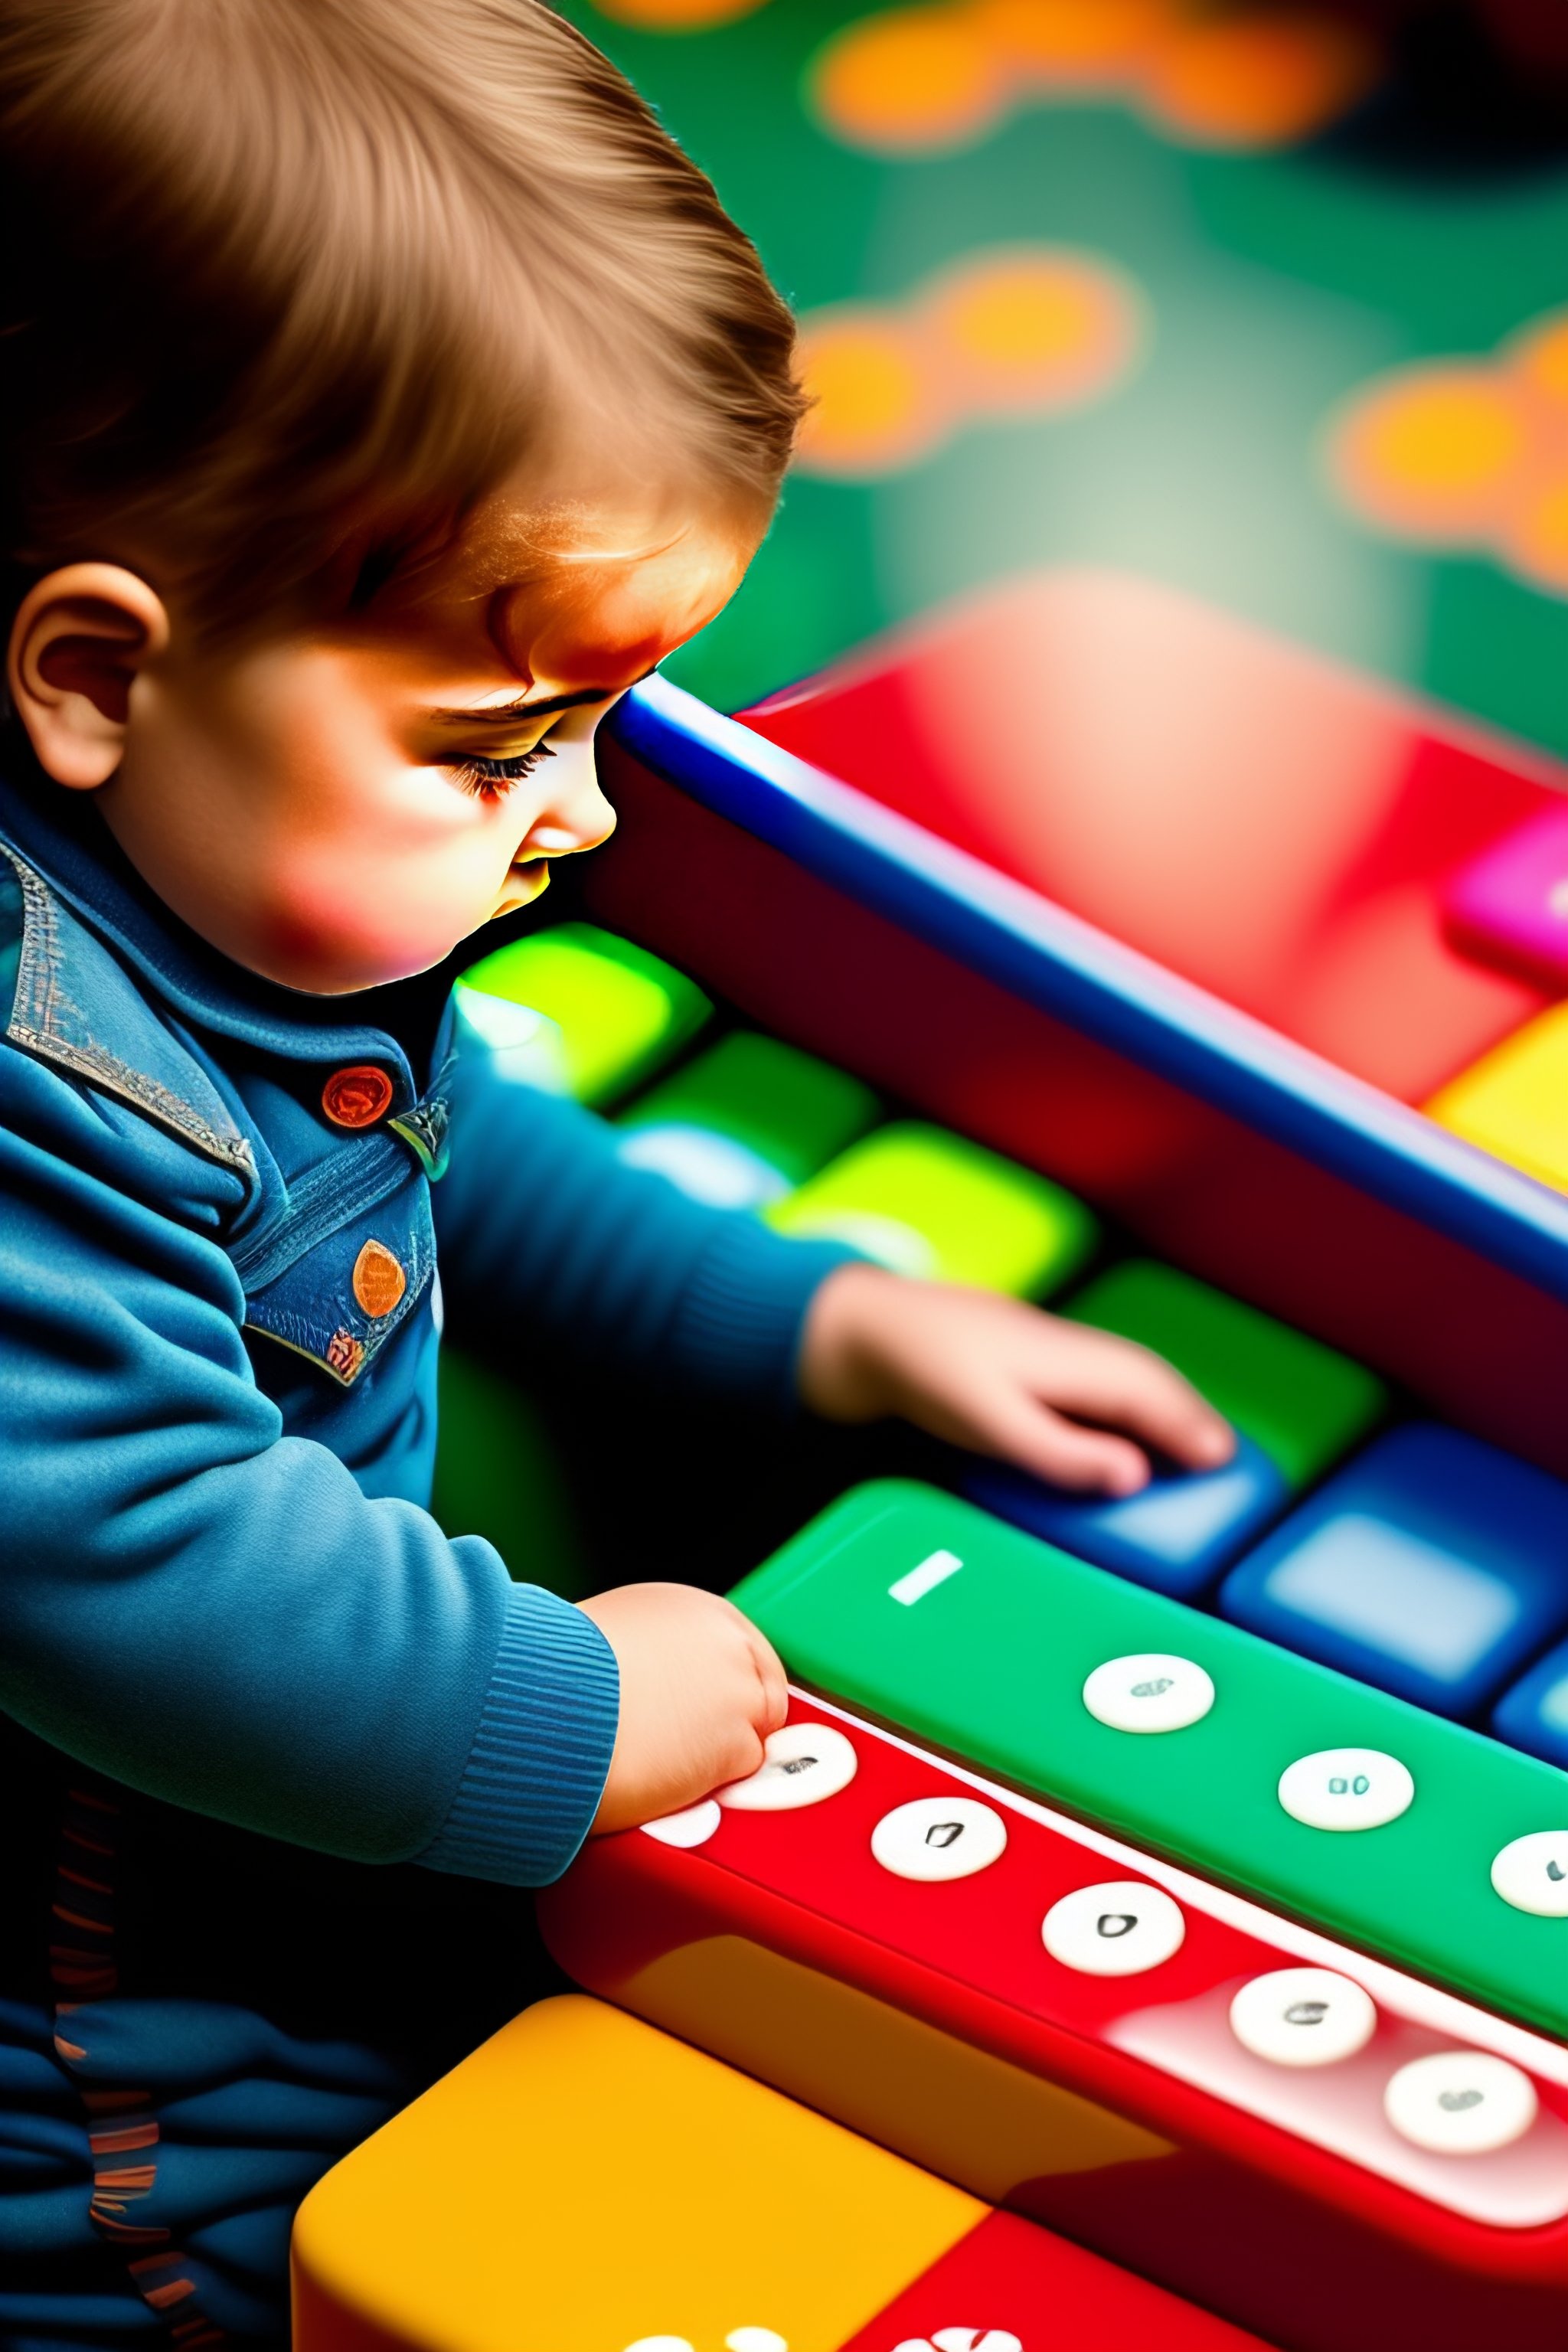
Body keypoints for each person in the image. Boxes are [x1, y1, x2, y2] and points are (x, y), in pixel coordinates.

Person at [0, 2, 1232, 2342]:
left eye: (603, 725)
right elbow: (129, 1561)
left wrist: (813, 1313)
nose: (583, 813)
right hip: (107, 2069)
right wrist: (550, 1710)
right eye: (502, 744)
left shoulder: (225, 892)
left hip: (304, 1876)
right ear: (93, 675)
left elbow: (424, 1149)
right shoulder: (26, 1087)